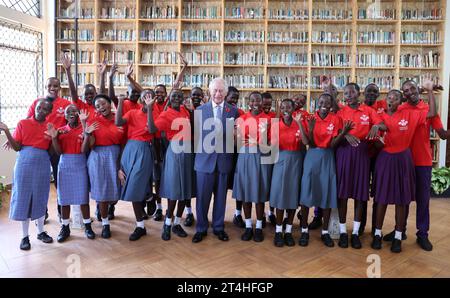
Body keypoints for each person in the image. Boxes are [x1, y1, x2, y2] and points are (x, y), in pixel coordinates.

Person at [371, 89, 431, 253]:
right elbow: (381, 125)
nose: (392, 99)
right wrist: (378, 127)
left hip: (404, 158)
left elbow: (431, 112)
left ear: (401, 101)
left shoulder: (408, 115)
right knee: (381, 198)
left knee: (402, 199)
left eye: (396, 97)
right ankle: (377, 233)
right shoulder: (380, 114)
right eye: (389, 97)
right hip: (385, 158)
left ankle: (398, 236)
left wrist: (430, 92)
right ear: (386, 99)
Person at [382, 76, 438, 251]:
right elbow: (384, 111)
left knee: (422, 200)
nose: (409, 92)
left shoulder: (425, 107)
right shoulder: (400, 107)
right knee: (402, 198)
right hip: (403, 160)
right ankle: (401, 230)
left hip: (422, 161)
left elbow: (434, 117)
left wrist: (429, 90)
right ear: (402, 95)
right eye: (406, 91)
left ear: (418, 89)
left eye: (413, 89)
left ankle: (422, 234)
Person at [298, 93, 353, 247]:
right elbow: (309, 143)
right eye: (321, 101)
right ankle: (304, 230)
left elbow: (332, 145)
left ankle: (324, 232)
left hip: (328, 158)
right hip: (312, 157)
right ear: (317, 102)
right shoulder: (310, 118)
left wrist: (343, 133)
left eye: (327, 103)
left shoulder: (335, 119)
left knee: (327, 193)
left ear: (331, 105)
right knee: (306, 192)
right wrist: (310, 129)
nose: (324, 104)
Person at [335, 83, 385, 249]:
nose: (349, 95)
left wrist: (376, 126)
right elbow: (335, 135)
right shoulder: (341, 112)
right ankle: (343, 231)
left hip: (363, 154)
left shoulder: (368, 111)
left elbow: (383, 125)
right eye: (346, 93)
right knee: (342, 194)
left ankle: (355, 232)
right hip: (344, 153)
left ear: (358, 93)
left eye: (352, 92)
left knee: (360, 195)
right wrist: (346, 134)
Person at [1, 98, 54, 250]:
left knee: (41, 196)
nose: (41, 111)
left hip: (43, 164)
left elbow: (51, 150)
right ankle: (25, 236)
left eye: (45, 109)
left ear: (49, 112)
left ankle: (41, 231)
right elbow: (17, 147)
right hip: (24, 164)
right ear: (35, 108)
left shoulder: (50, 126)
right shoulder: (23, 123)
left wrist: (54, 136)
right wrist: (6, 131)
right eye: (39, 108)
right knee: (23, 197)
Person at [192, 78, 239, 243]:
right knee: (202, 199)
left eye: (221, 91)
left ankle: (218, 228)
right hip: (204, 163)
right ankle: (201, 228)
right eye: (215, 91)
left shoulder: (234, 111)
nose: (218, 94)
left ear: (226, 93)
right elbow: (196, 139)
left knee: (221, 199)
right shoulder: (199, 110)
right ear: (209, 92)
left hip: (224, 162)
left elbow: (236, 138)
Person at [148, 89, 195, 241]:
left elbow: (193, 129)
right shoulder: (166, 114)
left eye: (179, 96)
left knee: (185, 190)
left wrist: (193, 112)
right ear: (170, 98)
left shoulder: (185, 110)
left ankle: (176, 223)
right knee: (175, 190)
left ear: (182, 99)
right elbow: (152, 129)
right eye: (173, 96)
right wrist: (149, 108)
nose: (176, 98)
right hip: (175, 152)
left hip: (188, 152)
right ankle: (167, 224)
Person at [46, 105, 97, 242]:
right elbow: (58, 152)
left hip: (80, 163)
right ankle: (65, 227)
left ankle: (87, 226)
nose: (71, 113)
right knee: (64, 198)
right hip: (64, 164)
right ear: (65, 116)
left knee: (83, 197)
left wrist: (87, 133)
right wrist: (55, 138)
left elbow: (84, 149)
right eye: (68, 112)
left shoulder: (84, 128)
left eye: (74, 111)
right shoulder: (60, 131)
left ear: (79, 113)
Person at [82, 94, 124, 239]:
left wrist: (120, 165)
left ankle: (107, 209)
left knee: (116, 190)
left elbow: (123, 142)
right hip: (97, 157)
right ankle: (105, 223)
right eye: (98, 106)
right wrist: (87, 131)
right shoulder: (93, 121)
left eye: (103, 104)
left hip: (116, 156)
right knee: (101, 192)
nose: (101, 107)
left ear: (109, 103)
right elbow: (90, 145)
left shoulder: (118, 119)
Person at [115, 92, 156, 241]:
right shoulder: (132, 112)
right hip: (130, 149)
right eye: (145, 96)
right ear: (140, 99)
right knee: (129, 183)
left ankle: (148, 197)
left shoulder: (154, 112)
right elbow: (118, 122)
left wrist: (150, 109)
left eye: (151, 96)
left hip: (144, 149)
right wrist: (120, 102)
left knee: (134, 186)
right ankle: (141, 224)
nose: (148, 98)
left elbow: (152, 130)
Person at [233, 91, 272, 242]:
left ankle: (259, 226)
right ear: (248, 103)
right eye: (252, 100)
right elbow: (236, 144)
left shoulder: (269, 120)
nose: (255, 103)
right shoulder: (241, 119)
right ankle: (248, 226)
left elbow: (271, 146)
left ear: (262, 103)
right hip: (245, 157)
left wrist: (260, 143)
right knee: (245, 192)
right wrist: (236, 133)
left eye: (258, 100)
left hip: (261, 157)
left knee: (259, 193)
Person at [270, 99, 306, 247]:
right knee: (280, 196)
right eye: (282, 107)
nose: (286, 109)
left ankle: (289, 230)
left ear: (294, 109)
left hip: (297, 161)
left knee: (292, 197)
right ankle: (278, 231)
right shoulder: (276, 126)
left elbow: (305, 143)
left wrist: (299, 124)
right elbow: (272, 148)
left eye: (288, 107)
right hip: (281, 161)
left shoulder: (300, 124)